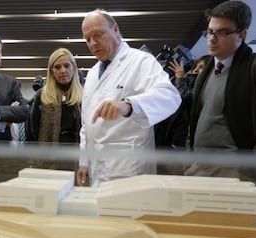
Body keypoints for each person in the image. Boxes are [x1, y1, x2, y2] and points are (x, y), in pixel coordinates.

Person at [77, 9, 181, 187]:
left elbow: (170, 96)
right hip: (98, 168)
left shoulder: (140, 61)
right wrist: (83, 162)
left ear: (115, 29)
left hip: (129, 168)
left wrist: (130, 105)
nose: (93, 43)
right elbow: (87, 124)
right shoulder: (93, 73)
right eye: (87, 39)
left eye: (98, 35)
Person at [185, 1, 256, 189]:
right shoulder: (206, 72)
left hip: (238, 176)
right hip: (199, 171)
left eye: (222, 32)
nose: (212, 38)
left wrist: (252, 173)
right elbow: (196, 121)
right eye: (210, 32)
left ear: (241, 35)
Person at [30, 48, 83, 143]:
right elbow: (34, 129)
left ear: (74, 68)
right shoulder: (42, 95)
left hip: (78, 151)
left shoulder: (83, 95)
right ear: (52, 72)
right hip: (49, 153)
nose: (63, 70)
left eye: (67, 66)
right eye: (57, 67)